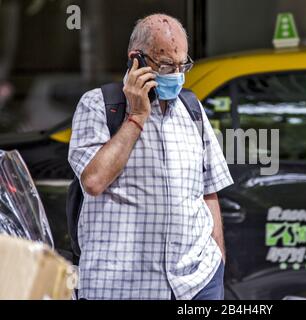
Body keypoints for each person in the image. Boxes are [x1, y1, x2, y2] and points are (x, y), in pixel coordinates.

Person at [68, 13, 233, 300]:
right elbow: (93, 180)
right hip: (124, 287)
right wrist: (136, 116)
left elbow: (209, 191)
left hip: (195, 283)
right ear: (137, 59)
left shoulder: (191, 109)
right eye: (167, 64)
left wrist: (218, 261)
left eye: (183, 65)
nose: (177, 75)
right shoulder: (97, 105)